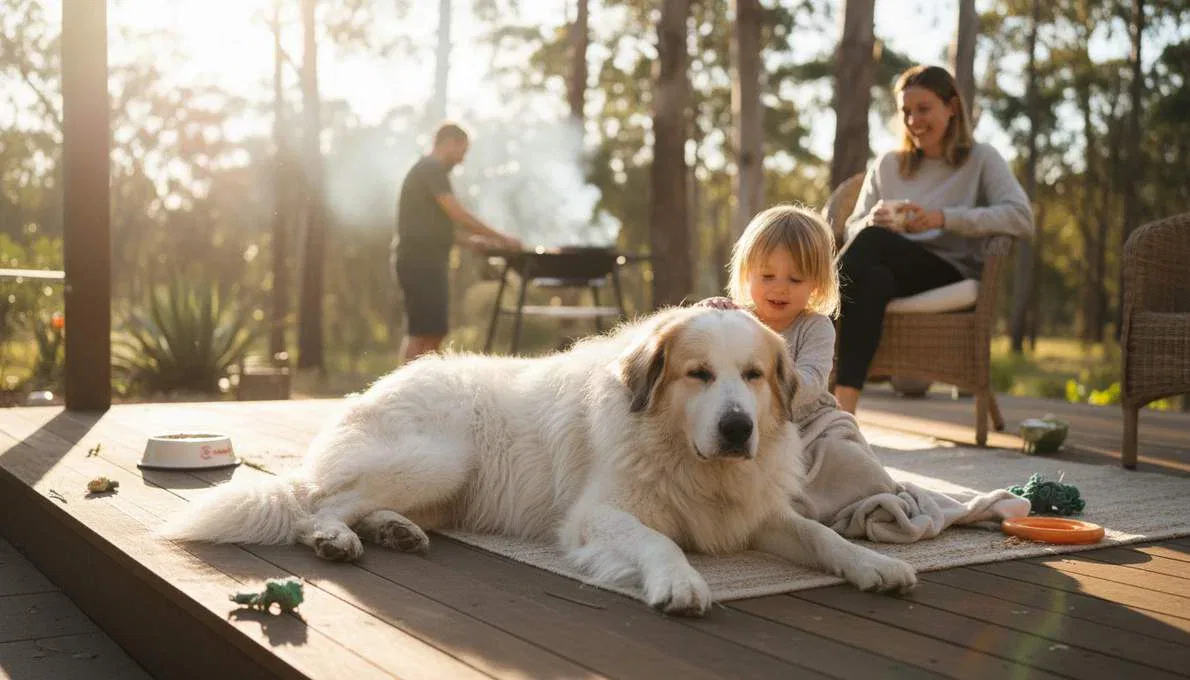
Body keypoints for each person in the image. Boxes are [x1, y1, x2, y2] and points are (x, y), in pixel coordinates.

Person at [834, 64, 1033, 414]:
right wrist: (873, 220)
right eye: (906, 112)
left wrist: (944, 218)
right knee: (874, 277)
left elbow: (1021, 216)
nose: (913, 121)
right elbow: (852, 227)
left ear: (952, 107)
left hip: (949, 269)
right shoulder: (887, 165)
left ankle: (811, 304)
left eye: (923, 109)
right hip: (891, 268)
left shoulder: (981, 158)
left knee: (874, 244)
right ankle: (843, 411)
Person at [392, 122, 522, 364]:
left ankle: (419, 394)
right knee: (425, 333)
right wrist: (502, 238)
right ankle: (408, 396)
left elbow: (433, 228)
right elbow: (458, 214)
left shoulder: (427, 171)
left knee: (428, 331)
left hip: (422, 261)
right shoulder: (431, 169)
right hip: (420, 262)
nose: (462, 160)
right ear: (450, 142)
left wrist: (471, 242)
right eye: (462, 151)